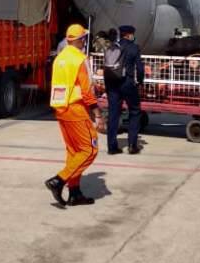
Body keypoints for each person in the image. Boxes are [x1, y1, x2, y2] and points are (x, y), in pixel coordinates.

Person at [45, 24, 105, 207]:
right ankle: (59, 180)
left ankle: (75, 193)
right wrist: (97, 114)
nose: (85, 41)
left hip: (61, 108)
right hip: (76, 108)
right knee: (90, 149)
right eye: (84, 38)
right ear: (79, 39)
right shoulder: (80, 59)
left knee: (74, 152)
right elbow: (86, 91)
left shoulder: (60, 58)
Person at [106, 24, 145, 155]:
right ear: (129, 35)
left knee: (113, 114)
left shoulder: (112, 46)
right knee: (135, 111)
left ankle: (112, 147)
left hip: (112, 84)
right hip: (127, 84)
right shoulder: (134, 48)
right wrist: (140, 81)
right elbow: (139, 68)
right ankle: (132, 145)